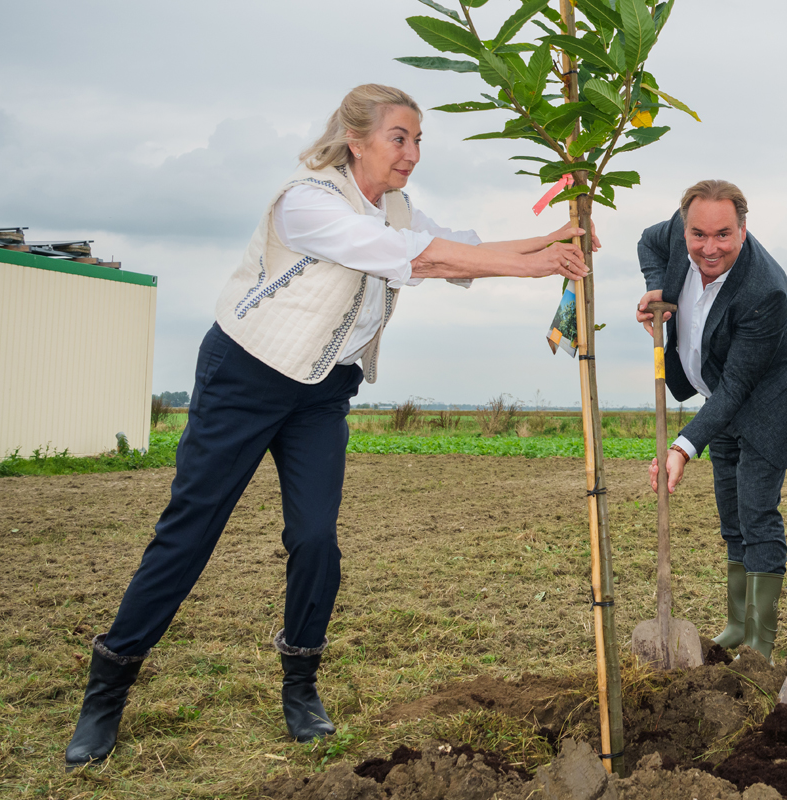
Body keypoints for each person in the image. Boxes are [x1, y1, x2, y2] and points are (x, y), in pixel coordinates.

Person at [64, 84, 593, 767]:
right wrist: (538, 261)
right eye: (400, 137)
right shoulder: (307, 201)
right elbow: (421, 258)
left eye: (420, 139)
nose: (413, 152)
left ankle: (301, 684)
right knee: (190, 531)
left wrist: (558, 239)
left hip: (322, 392)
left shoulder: (396, 207)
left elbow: (455, 246)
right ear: (357, 139)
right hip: (246, 376)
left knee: (316, 539)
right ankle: (107, 689)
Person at [635, 180, 787, 663]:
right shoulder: (679, 237)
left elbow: (740, 387)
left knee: (756, 512)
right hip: (720, 397)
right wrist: (657, 285)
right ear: (686, 227)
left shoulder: (765, 289)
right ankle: (737, 624)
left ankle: (760, 641)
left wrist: (681, 447)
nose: (709, 247)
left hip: (772, 402)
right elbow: (647, 240)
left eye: (723, 235)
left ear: (743, 229)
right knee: (730, 514)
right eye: (698, 235)